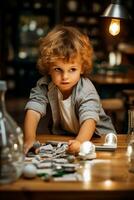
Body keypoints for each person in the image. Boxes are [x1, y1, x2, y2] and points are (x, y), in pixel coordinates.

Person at [24, 25, 116, 155]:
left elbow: (89, 121)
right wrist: (29, 139)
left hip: (99, 141)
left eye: (72, 69)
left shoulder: (86, 89)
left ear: (82, 68)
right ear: (48, 67)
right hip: (69, 139)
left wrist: (80, 142)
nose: (65, 77)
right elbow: (33, 110)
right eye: (58, 69)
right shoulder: (44, 84)